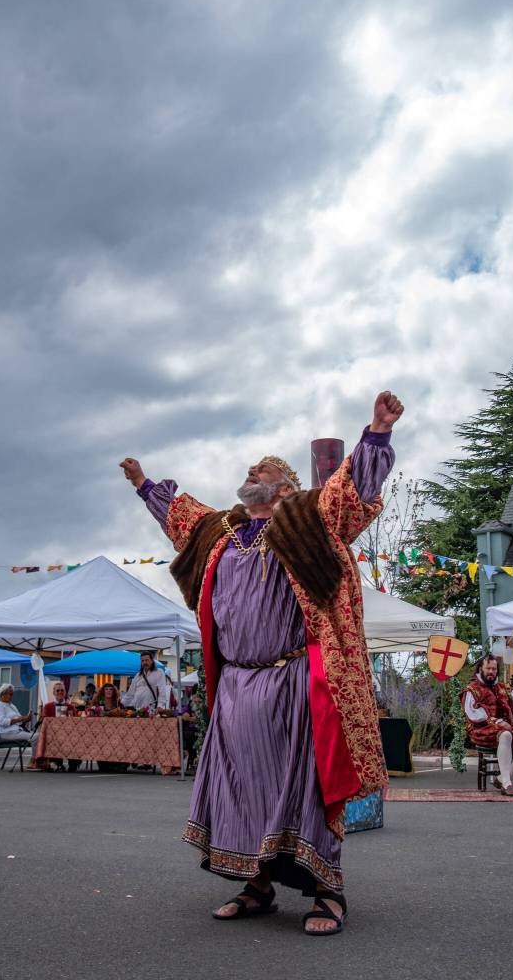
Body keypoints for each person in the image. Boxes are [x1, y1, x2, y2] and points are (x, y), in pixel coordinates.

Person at [120, 389, 402, 935]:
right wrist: (143, 484)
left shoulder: (307, 518)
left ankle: (328, 891)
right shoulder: (219, 532)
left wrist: (377, 433)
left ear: (286, 487)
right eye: (252, 466)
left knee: (305, 787)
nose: (254, 468)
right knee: (242, 787)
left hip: (293, 681)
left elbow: (351, 492)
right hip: (236, 687)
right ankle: (258, 886)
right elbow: (180, 515)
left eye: (265, 467)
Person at [462, 654, 513, 796]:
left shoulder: (504, 688)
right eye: (488, 668)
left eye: (494, 668)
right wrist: (498, 722)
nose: (491, 671)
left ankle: (501, 778)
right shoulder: (472, 689)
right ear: (480, 669)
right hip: (483, 729)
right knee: (505, 734)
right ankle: (507, 784)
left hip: (509, 729)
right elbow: (472, 713)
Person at [29, 681, 81, 772]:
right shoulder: (48, 706)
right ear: (54, 692)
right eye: (58, 691)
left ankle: (73, 763)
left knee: (76, 738)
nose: (60, 692)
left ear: (65, 692)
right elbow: (44, 721)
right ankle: (56, 763)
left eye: (62, 690)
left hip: (69, 734)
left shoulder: (71, 707)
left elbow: (76, 722)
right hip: (53, 734)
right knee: (51, 738)